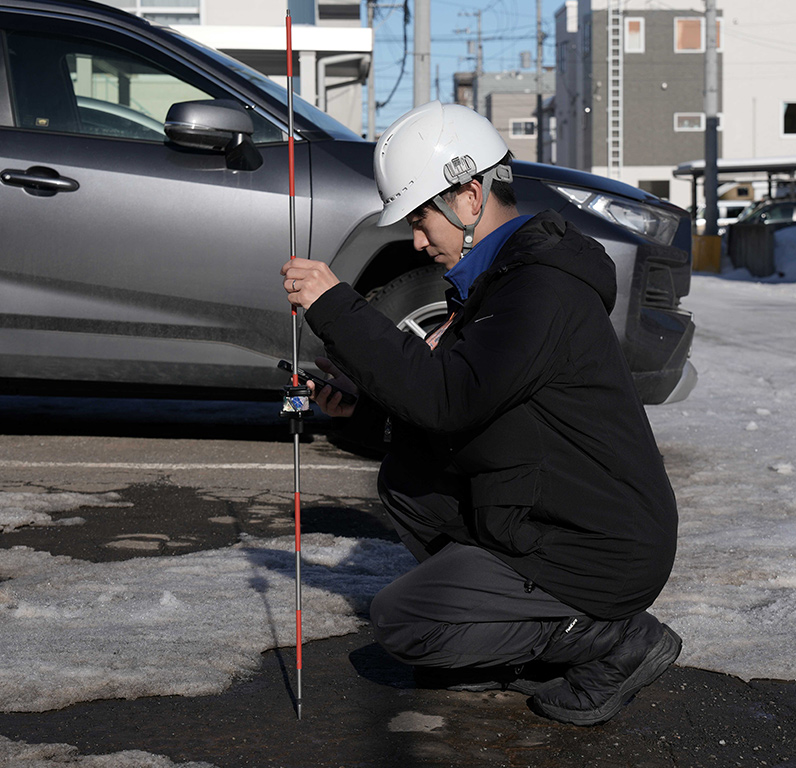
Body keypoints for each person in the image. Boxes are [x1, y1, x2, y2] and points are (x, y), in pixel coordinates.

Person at [281, 101, 680, 726]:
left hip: (599, 547)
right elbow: (459, 407)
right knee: (409, 479)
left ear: (469, 196)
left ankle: (612, 640)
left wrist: (336, 305)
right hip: (549, 511)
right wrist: (362, 406)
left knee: (399, 622)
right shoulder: (502, 282)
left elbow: (448, 397)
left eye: (420, 218)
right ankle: (504, 626)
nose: (416, 239)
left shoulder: (538, 290)